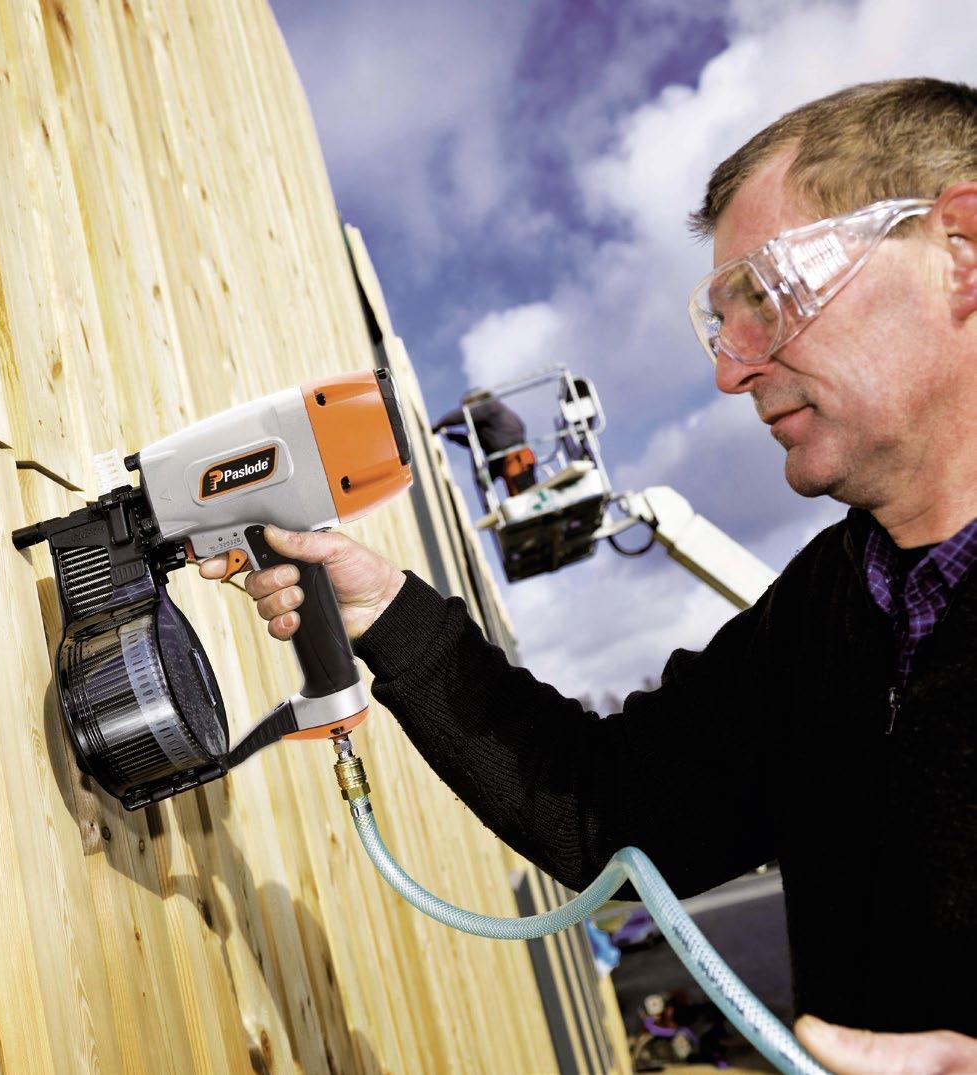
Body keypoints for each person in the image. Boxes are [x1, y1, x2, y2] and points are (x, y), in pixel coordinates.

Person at [202, 79, 977, 1072]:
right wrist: (387, 610)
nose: (730, 372)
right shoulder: (828, 608)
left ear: (958, 251)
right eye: (721, 322)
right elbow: (603, 812)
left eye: (769, 293)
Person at [433, 391, 538, 496]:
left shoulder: (489, 406)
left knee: (525, 494)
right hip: (506, 458)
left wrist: (438, 425)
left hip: (515, 457)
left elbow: (464, 414)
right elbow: (474, 442)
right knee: (517, 493)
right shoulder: (489, 425)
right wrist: (451, 436)